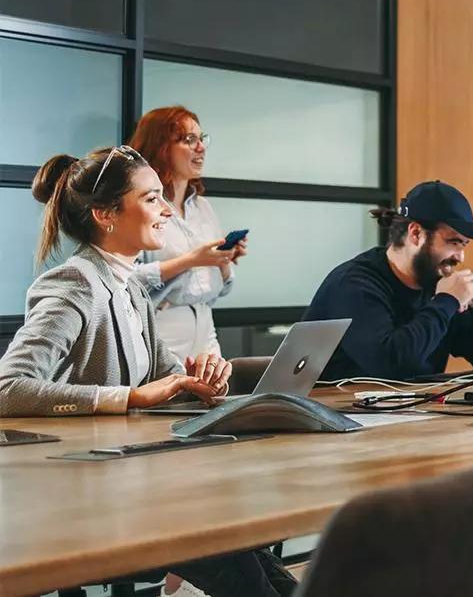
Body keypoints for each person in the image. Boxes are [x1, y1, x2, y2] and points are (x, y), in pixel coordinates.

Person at [0, 146, 295, 597]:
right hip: (92, 497)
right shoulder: (74, 283)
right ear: (106, 214)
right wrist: (131, 397)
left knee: (244, 545)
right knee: (227, 545)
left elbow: (167, 376)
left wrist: (200, 382)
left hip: (145, 483)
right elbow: (7, 388)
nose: (165, 211)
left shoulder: (132, 284)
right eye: (152, 198)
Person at [304, 180, 473, 381]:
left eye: (464, 245)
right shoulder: (353, 284)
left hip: (412, 409)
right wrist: (446, 301)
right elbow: (391, 365)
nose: (460, 257)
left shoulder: (436, 284)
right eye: (453, 242)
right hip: (331, 410)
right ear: (416, 233)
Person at [129, 106, 248, 366]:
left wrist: (223, 259)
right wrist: (191, 260)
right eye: (188, 140)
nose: (201, 148)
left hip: (205, 325)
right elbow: (125, 280)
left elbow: (221, 289)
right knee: (163, 403)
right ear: (161, 147)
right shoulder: (144, 207)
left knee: (216, 400)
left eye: (201, 139)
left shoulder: (203, 208)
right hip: (162, 327)